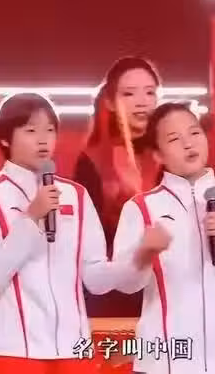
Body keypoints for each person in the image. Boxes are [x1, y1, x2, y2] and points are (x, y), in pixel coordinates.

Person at [113, 102, 215, 373]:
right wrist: (144, 254)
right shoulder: (141, 208)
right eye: (174, 139)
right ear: (158, 154)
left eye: (194, 133)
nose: (188, 144)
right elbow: (126, 285)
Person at [0, 93, 114, 373]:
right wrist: (31, 218)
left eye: (50, 130)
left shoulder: (76, 195)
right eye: (31, 131)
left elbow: (94, 276)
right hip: (14, 348)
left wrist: (136, 260)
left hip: (74, 346)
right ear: (5, 138)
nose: (43, 140)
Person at [73, 56, 161, 317]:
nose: (142, 101)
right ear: (110, 102)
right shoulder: (92, 161)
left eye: (150, 92)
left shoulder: (169, 155)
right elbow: (88, 239)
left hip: (168, 285)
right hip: (115, 290)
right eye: (129, 93)